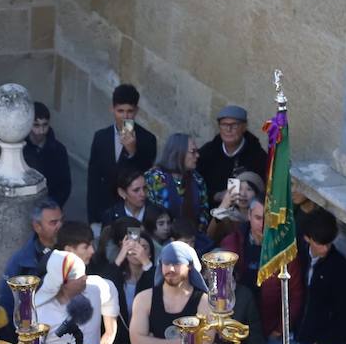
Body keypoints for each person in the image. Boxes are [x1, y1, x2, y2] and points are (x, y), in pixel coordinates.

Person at [221, 198, 305, 344]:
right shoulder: (234, 242)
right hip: (236, 331)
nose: (263, 224)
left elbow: (295, 295)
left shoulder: (284, 253)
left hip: (269, 332)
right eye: (258, 218)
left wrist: (280, 328)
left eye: (268, 219)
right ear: (249, 216)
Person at [290, 208, 346, 344]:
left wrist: (322, 343)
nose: (326, 248)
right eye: (320, 243)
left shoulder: (342, 269)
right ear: (307, 238)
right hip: (295, 337)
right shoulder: (297, 255)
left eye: (329, 243)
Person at [128, 241, 212, 344]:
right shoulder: (144, 299)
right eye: (166, 263)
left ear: (190, 266)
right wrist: (185, 342)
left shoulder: (204, 302)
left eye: (177, 263)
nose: (170, 269)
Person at [99, 224, 157, 344]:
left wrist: (146, 262)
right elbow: (104, 282)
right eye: (133, 245)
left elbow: (158, 286)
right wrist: (123, 252)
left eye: (143, 247)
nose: (137, 250)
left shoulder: (152, 274)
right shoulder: (117, 276)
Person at [86, 83, 157, 228]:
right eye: (120, 111)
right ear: (112, 109)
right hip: (105, 211)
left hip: (132, 212)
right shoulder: (101, 137)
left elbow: (145, 176)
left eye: (130, 111)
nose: (125, 116)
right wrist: (93, 219)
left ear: (136, 111)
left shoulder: (148, 139)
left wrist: (132, 152)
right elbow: (93, 179)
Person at [0, 199, 63, 321]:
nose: (60, 226)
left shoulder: (73, 249)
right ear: (37, 226)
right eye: (53, 222)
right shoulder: (21, 261)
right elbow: (8, 301)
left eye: (61, 220)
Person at [196, 104, 269, 209]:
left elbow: (263, 191)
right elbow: (195, 185)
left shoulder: (258, 156)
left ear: (244, 127)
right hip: (212, 212)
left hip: (245, 215)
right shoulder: (208, 152)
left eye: (234, 125)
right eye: (224, 125)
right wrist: (216, 196)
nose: (228, 129)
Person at [146, 132, 209, 233]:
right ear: (179, 153)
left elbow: (204, 212)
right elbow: (150, 212)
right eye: (193, 151)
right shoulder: (155, 177)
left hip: (192, 238)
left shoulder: (197, 179)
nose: (197, 155)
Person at [21, 101, 72, 210]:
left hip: (50, 209)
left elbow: (65, 185)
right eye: (36, 125)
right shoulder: (20, 148)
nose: (41, 131)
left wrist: (52, 207)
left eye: (45, 125)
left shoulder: (59, 150)